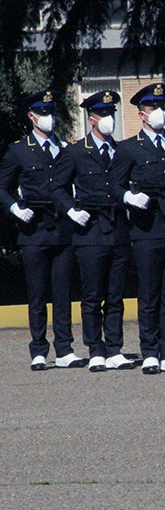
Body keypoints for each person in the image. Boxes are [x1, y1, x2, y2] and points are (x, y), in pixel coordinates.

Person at [51, 90, 134, 372]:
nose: (110, 119)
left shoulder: (122, 151)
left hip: (118, 229)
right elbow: (57, 188)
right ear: (92, 119)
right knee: (92, 294)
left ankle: (114, 348)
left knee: (115, 295)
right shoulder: (76, 152)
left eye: (112, 113)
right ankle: (95, 348)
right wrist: (71, 211)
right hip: (89, 231)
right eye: (104, 114)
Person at [0, 89, 83, 371]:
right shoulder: (18, 150)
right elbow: (2, 187)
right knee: (37, 293)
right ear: (31, 116)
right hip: (33, 228)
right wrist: (14, 209)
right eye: (43, 113)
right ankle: (38, 349)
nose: (48, 118)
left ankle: (65, 348)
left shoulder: (64, 148)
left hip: (61, 227)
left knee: (62, 292)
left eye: (51, 112)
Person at [116, 83, 165, 374]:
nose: (159, 112)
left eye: (162, 107)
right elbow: (115, 185)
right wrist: (128, 197)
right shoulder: (129, 148)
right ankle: (149, 350)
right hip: (146, 228)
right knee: (148, 292)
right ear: (141, 114)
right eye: (153, 108)